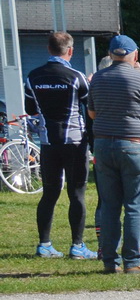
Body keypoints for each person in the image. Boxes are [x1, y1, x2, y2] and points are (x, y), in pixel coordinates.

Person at [87, 34, 140, 273]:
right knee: (134, 204)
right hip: (133, 144)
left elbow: (91, 113)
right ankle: (133, 261)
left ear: (111, 55)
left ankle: (110, 262)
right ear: (135, 55)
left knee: (110, 205)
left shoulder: (98, 78)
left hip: (102, 145)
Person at [24, 30, 97, 259]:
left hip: (48, 143)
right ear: (71, 51)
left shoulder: (33, 76)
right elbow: (90, 107)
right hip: (74, 144)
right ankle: (77, 246)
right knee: (76, 194)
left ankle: (44, 245)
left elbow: (30, 110)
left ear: (48, 49)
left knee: (49, 194)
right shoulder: (77, 76)